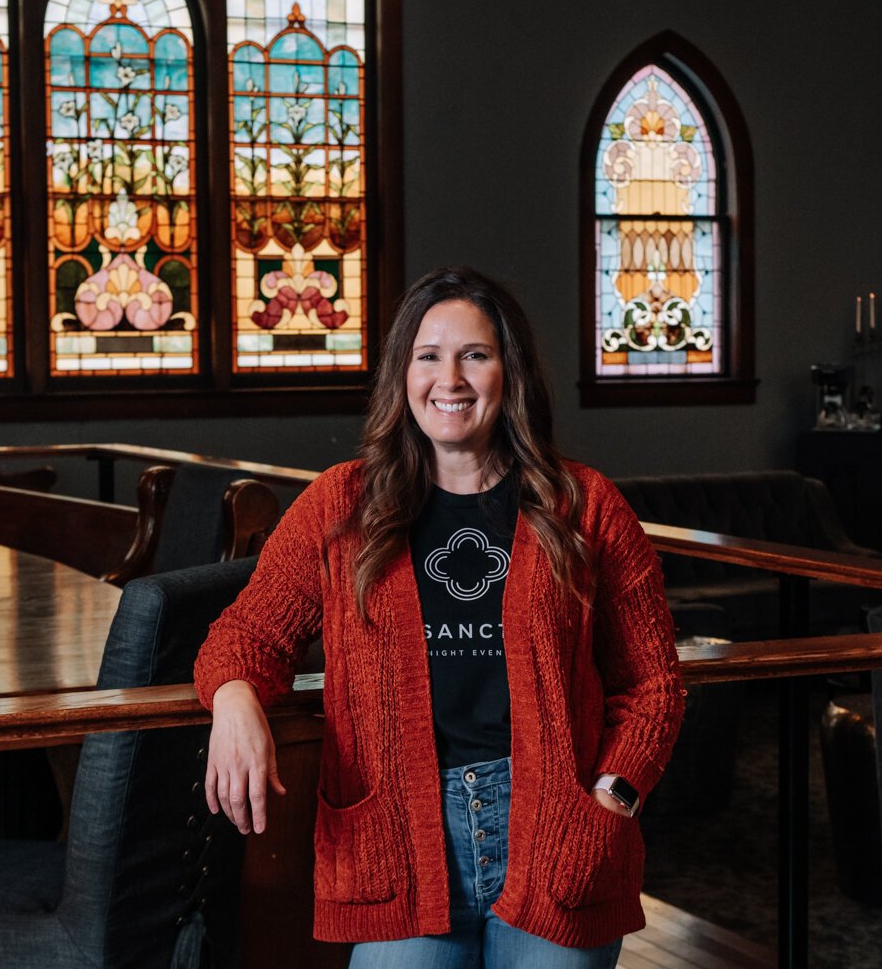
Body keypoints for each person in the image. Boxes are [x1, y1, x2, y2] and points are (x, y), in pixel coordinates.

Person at [194, 267, 684, 968]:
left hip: (555, 834)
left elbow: (654, 686)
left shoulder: (588, 507)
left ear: (509, 373)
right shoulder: (342, 507)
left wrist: (612, 799)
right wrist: (236, 701)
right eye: (429, 356)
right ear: (403, 374)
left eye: (475, 355)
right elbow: (244, 636)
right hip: (396, 840)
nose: (449, 379)